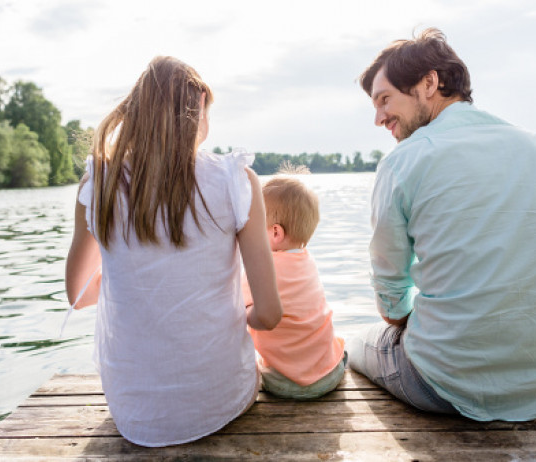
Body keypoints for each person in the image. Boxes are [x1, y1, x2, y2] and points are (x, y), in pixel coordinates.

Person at [346, 28, 536, 421]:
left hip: (441, 386)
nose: (378, 118)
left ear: (429, 83)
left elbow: (391, 302)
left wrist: (423, 325)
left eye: (384, 99)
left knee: (356, 343)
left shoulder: (405, 161)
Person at [65, 56, 282, 447]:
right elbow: (268, 314)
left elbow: (78, 295)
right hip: (224, 400)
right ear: (199, 106)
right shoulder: (234, 179)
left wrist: (135, 279)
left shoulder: (98, 183)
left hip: (134, 415)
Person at [241, 175, 346, 399]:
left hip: (285, 382)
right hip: (330, 374)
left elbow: (236, 305)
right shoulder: (307, 261)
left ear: (275, 233)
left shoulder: (261, 268)